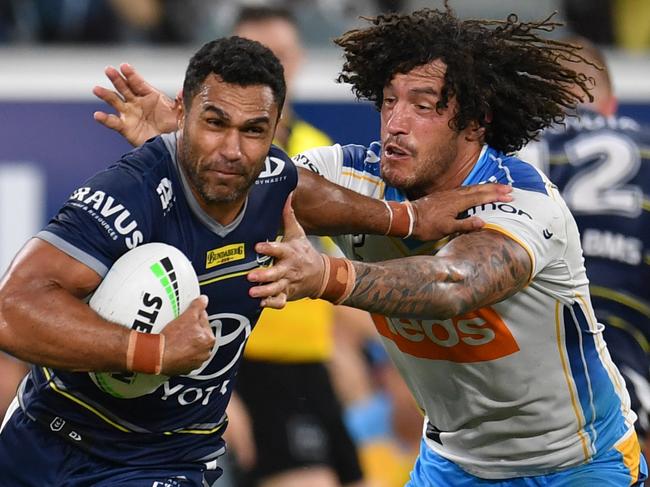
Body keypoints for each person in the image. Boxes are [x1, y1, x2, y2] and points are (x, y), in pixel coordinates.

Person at [89, 7, 631, 485]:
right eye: (388, 101)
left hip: (579, 464)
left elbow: (453, 285)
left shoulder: (522, 199)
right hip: (452, 464)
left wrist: (326, 276)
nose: (395, 123)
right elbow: (272, 182)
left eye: (422, 105)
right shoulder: (356, 174)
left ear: (474, 119)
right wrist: (190, 145)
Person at [0, 34, 507, 487]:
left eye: (253, 131)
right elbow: (12, 309)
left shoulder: (270, 182)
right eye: (215, 123)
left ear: (274, 132)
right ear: (182, 115)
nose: (231, 149)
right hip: (43, 437)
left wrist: (408, 218)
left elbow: (300, 190)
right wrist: (153, 352)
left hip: (162, 458)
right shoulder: (131, 193)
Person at [224, 7, 366, 487]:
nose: (268, 71)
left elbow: (320, 264)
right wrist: (218, 392)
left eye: (279, 57)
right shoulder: (216, 160)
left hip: (310, 367)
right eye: (254, 56)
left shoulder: (313, 147)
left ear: (299, 61)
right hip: (248, 367)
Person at [519, 36, 650, 453]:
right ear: (610, 104)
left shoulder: (501, 156)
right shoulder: (644, 150)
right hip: (623, 370)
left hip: (512, 382)